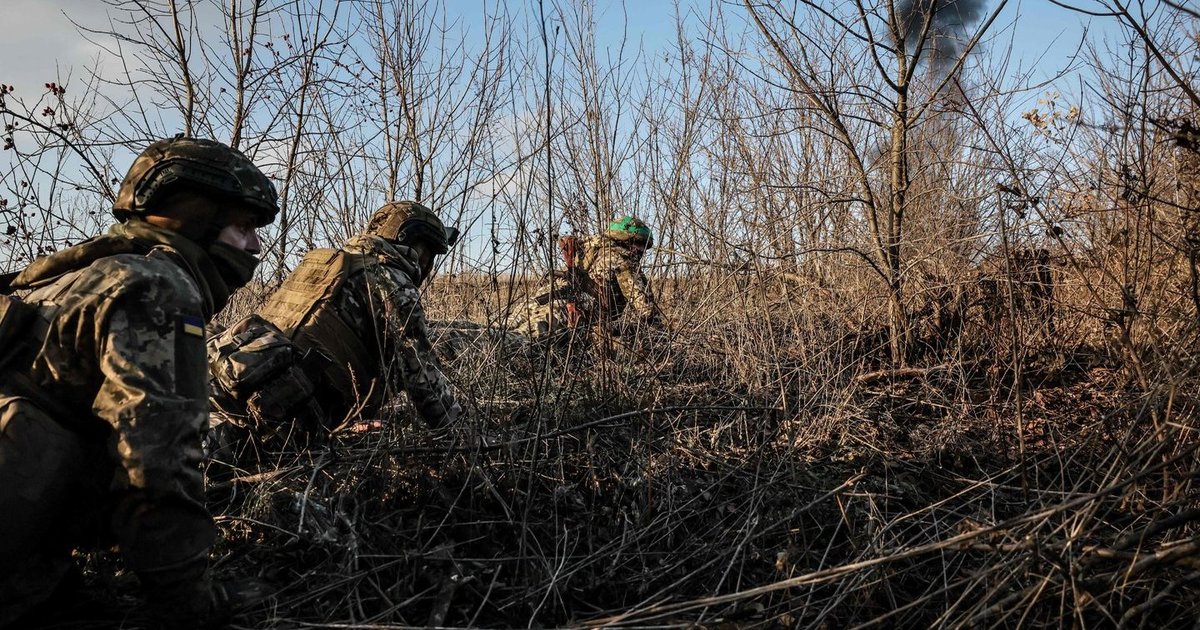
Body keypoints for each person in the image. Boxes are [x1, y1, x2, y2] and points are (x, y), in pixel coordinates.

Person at [0, 136, 278, 628]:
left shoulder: (61, 278)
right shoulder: (157, 288)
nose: (255, 246)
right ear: (195, 219)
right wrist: (189, 601)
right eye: (243, 227)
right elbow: (156, 463)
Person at [207, 200, 462, 451]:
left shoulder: (324, 264)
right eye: (428, 253)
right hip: (284, 414)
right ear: (414, 244)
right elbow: (421, 375)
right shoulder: (392, 281)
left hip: (230, 384)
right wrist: (462, 436)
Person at [511, 215, 663, 344]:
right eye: (640, 244)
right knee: (514, 341)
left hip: (540, 299)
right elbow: (645, 308)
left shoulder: (588, 248)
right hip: (565, 311)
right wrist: (661, 334)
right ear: (627, 240)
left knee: (504, 327)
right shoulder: (622, 259)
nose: (642, 251)